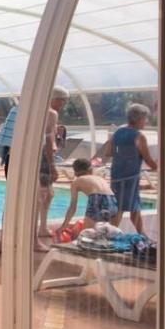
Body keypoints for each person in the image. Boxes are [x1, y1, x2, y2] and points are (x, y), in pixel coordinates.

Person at [97, 102, 159, 237]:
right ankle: (110, 235)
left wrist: (123, 153)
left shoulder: (117, 133)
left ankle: (142, 235)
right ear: (140, 118)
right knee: (121, 207)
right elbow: (148, 160)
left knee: (133, 206)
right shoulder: (139, 136)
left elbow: (108, 152)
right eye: (145, 119)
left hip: (117, 175)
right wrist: (158, 166)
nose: (146, 122)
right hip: (129, 178)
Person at [34, 87, 69, 250]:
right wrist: (52, 166)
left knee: (47, 194)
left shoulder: (36, 111)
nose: (63, 104)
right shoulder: (51, 113)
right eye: (62, 100)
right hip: (43, 157)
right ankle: (38, 232)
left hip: (37, 156)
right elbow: (48, 143)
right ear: (53, 98)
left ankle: (41, 227)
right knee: (43, 195)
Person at [56, 158, 118, 234]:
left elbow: (72, 207)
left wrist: (63, 226)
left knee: (87, 234)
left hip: (96, 198)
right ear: (90, 169)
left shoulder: (76, 182)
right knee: (108, 234)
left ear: (75, 172)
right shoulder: (99, 178)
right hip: (112, 199)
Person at [0, 104, 17, 175]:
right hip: (14, 156)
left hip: (11, 156)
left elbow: (6, 132)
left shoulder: (14, 111)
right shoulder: (15, 111)